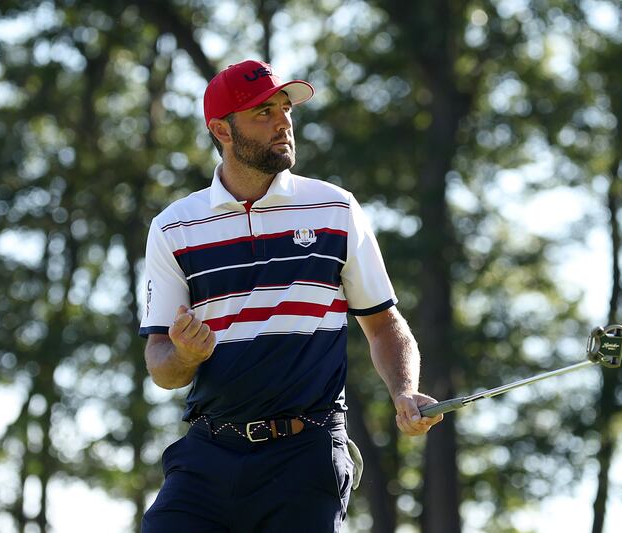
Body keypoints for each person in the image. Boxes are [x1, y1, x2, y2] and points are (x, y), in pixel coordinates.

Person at [139, 59, 443, 532]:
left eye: (286, 108)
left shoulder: (335, 209)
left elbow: (384, 324)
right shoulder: (174, 227)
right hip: (207, 452)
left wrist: (403, 390)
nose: (283, 121)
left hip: (306, 453)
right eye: (263, 112)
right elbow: (161, 365)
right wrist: (184, 354)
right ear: (222, 129)